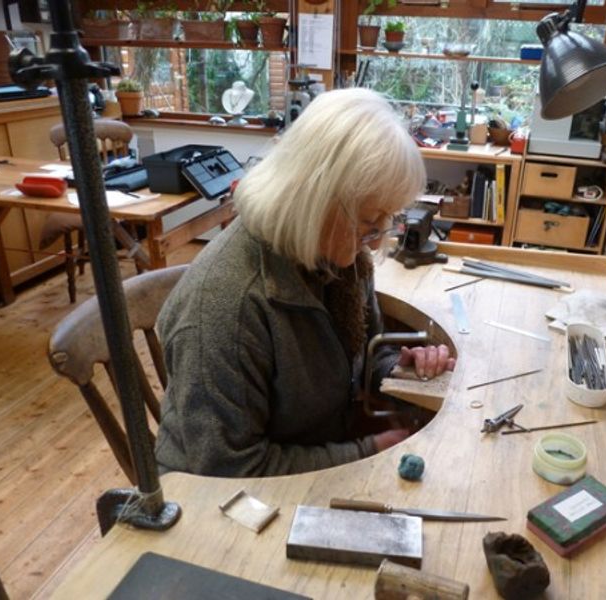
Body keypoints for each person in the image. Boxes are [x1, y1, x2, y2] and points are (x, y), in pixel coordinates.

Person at [155, 88, 455, 478]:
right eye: (369, 222)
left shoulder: (336, 257)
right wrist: (364, 452)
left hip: (312, 451)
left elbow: (363, 349)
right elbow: (226, 468)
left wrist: (396, 367)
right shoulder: (228, 309)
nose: (378, 240)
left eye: (386, 221)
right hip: (216, 502)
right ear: (314, 200)